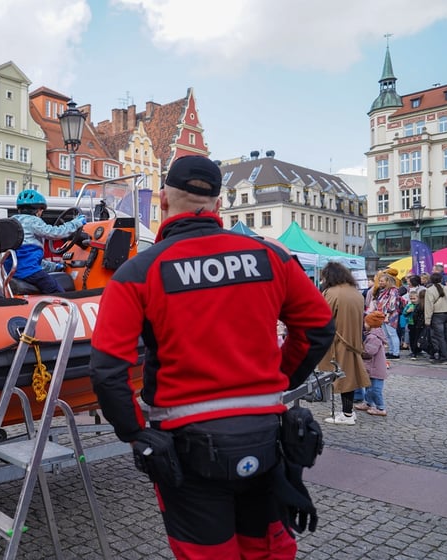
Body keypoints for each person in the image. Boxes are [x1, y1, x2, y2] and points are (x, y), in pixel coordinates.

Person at [89, 155, 335, 559]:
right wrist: (279, 377)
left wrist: (134, 432)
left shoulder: (137, 272)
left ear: (163, 201)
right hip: (264, 436)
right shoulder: (270, 257)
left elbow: (107, 369)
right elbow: (318, 328)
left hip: (186, 446)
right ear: (219, 204)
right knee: (268, 550)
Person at [318, 262, 371, 425]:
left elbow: (322, 317)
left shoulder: (332, 292)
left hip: (338, 341)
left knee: (342, 379)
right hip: (353, 341)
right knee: (350, 377)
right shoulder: (354, 292)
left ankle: (347, 414)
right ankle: (348, 411)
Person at [10, 189, 85, 293]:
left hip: (12, 271)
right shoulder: (33, 221)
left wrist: (54, 266)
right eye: (41, 210)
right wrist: (76, 223)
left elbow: (26, 258)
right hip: (28, 271)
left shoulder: (12, 221)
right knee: (57, 291)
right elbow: (54, 233)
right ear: (37, 210)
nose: (41, 213)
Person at [354, 311, 389, 416]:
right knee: (369, 388)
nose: (364, 324)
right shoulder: (373, 335)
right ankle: (368, 403)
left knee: (375, 390)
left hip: (376, 369)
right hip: (372, 368)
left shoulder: (373, 337)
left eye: (366, 322)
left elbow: (369, 352)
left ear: (371, 324)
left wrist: (359, 350)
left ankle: (381, 408)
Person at [372, 273, 402, 359]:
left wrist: (387, 314)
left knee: (392, 333)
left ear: (387, 281)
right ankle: (391, 351)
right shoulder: (384, 290)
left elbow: (392, 304)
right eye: (380, 281)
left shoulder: (393, 290)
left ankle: (396, 353)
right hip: (383, 314)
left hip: (390, 315)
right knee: (386, 334)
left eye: (382, 281)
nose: (380, 282)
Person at [425, 271, 447, 365]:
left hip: (437, 315)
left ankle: (444, 357)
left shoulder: (430, 290)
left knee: (440, 337)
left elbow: (429, 306)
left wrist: (427, 320)